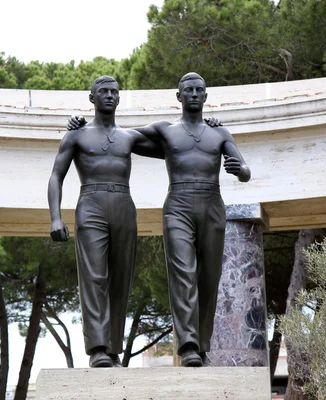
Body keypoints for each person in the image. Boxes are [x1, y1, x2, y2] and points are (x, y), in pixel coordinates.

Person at [68, 72, 250, 367]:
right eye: (188, 89)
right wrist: (80, 127)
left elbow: (244, 168)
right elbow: (119, 137)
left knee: (208, 278)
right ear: (178, 97)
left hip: (212, 203)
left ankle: (201, 345)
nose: (193, 93)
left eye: (199, 90)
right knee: (183, 273)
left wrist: (239, 169)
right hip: (177, 203)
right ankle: (188, 345)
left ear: (206, 96)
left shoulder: (220, 133)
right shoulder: (165, 131)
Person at [48, 76, 164, 367]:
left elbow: (174, 146)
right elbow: (55, 176)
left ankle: (113, 348)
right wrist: (55, 217)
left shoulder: (129, 137)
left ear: (119, 98)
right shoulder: (76, 135)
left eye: (114, 92)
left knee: (120, 280)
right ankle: (98, 348)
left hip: (124, 205)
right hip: (91, 204)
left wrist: (206, 125)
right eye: (103, 92)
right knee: (95, 277)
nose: (110, 96)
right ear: (92, 99)